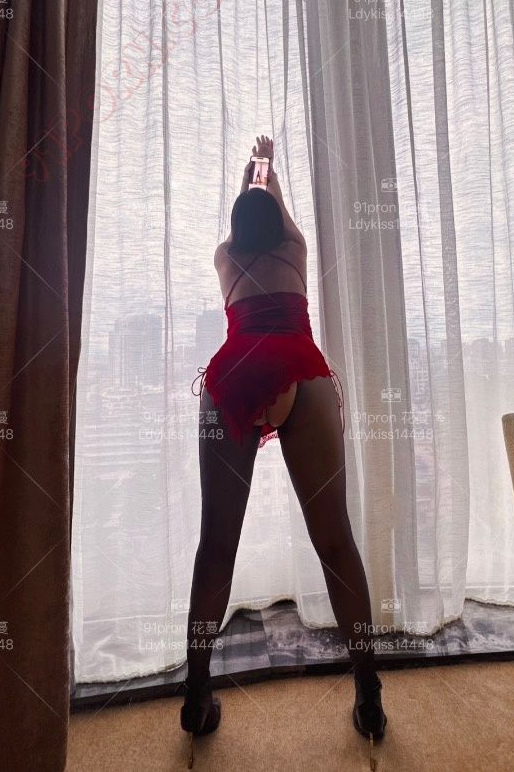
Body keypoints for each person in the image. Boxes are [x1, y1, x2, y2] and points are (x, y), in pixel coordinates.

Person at [180, 136, 386, 767]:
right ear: (277, 216)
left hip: (235, 372)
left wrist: (247, 180)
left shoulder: (224, 256)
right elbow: (279, 212)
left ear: (236, 223)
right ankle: (369, 692)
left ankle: (196, 693)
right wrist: (269, 173)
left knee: (216, 546)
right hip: (298, 365)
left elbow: (242, 219)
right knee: (336, 542)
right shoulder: (294, 247)